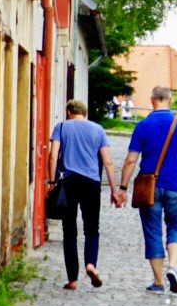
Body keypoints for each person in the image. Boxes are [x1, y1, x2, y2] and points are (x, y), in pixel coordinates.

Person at [118, 86, 177, 294]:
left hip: (149, 188)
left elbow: (131, 160)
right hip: (176, 187)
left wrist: (122, 187)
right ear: (168, 100)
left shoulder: (143, 126)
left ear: (152, 100)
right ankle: (172, 266)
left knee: (153, 232)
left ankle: (158, 282)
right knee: (176, 227)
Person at [48, 100, 124, 290]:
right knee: (92, 228)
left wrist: (51, 182)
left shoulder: (62, 127)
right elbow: (107, 162)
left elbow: (53, 155)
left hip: (69, 182)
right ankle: (91, 264)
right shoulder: (98, 129)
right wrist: (114, 191)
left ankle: (73, 279)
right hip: (92, 183)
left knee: (69, 230)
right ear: (85, 113)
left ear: (69, 112)